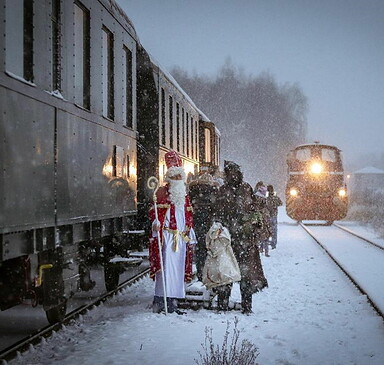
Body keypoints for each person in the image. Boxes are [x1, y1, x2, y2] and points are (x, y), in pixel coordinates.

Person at [214, 161, 268, 314]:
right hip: (228, 240)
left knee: (247, 276)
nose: (233, 175)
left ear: (239, 174)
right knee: (226, 274)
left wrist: (254, 221)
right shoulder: (223, 191)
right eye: (230, 173)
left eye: (235, 172)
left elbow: (252, 209)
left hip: (245, 240)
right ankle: (222, 305)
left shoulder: (246, 189)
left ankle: (247, 306)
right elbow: (217, 212)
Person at [149, 150, 196, 314]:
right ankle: (161, 300)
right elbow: (155, 213)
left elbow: (188, 216)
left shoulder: (184, 196)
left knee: (177, 270)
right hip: (167, 237)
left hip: (180, 239)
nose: (177, 180)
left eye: (179, 177)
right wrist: (156, 224)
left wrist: (189, 233)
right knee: (165, 269)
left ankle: (173, 299)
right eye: (174, 177)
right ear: (169, 177)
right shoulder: (161, 193)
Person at [202, 221, 241, 310]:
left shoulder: (212, 239)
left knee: (221, 282)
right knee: (225, 282)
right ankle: (223, 304)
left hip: (217, 262)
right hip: (224, 261)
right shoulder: (224, 239)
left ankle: (221, 303)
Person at [188, 173, 219, 281]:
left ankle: (201, 272)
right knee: (210, 249)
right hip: (209, 223)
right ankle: (209, 274)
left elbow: (189, 205)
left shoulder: (194, 190)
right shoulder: (214, 190)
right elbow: (216, 208)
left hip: (196, 222)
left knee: (199, 249)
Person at [254, 182, 272, 257]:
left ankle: (260, 249)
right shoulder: (263, 200)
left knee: (259, 236)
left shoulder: (255, 198)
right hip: (263, 220)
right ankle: (266, 252)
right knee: (265, 237)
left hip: (258, 220)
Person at [266, 184, 283, 249]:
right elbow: (280, 203)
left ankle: (266, 243)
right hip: (274, 215)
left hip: (267, 216)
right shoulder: (275, 197)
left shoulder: (266, 198)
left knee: (267, 230)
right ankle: (273, 243)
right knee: (274, 230)